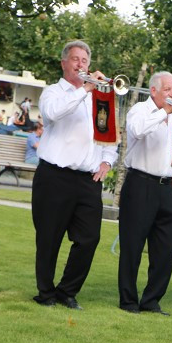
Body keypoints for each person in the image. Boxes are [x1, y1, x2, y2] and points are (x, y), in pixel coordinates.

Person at [31, 40, 117, 308]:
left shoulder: (99, 99)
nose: (81, 65)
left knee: (89, 238)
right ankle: (45, 292)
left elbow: (110, 137)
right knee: (49, 238)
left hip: (87, 179)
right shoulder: (53, 92)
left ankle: (67, 291)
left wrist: (107, 162)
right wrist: (86, 89)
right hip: (54, 176)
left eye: (85, 61)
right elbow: (53, 114)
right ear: (64, 63)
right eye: (76, 59)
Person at [118, 71, 172, 316]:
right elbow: (137, 130)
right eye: (168, 90)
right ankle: (128, 300)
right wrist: (164, 112)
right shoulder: (139, 110)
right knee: (132, 245)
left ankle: (152, 300)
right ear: (153, 90)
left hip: (166, 187)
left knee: (166, 248)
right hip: (140, 183)